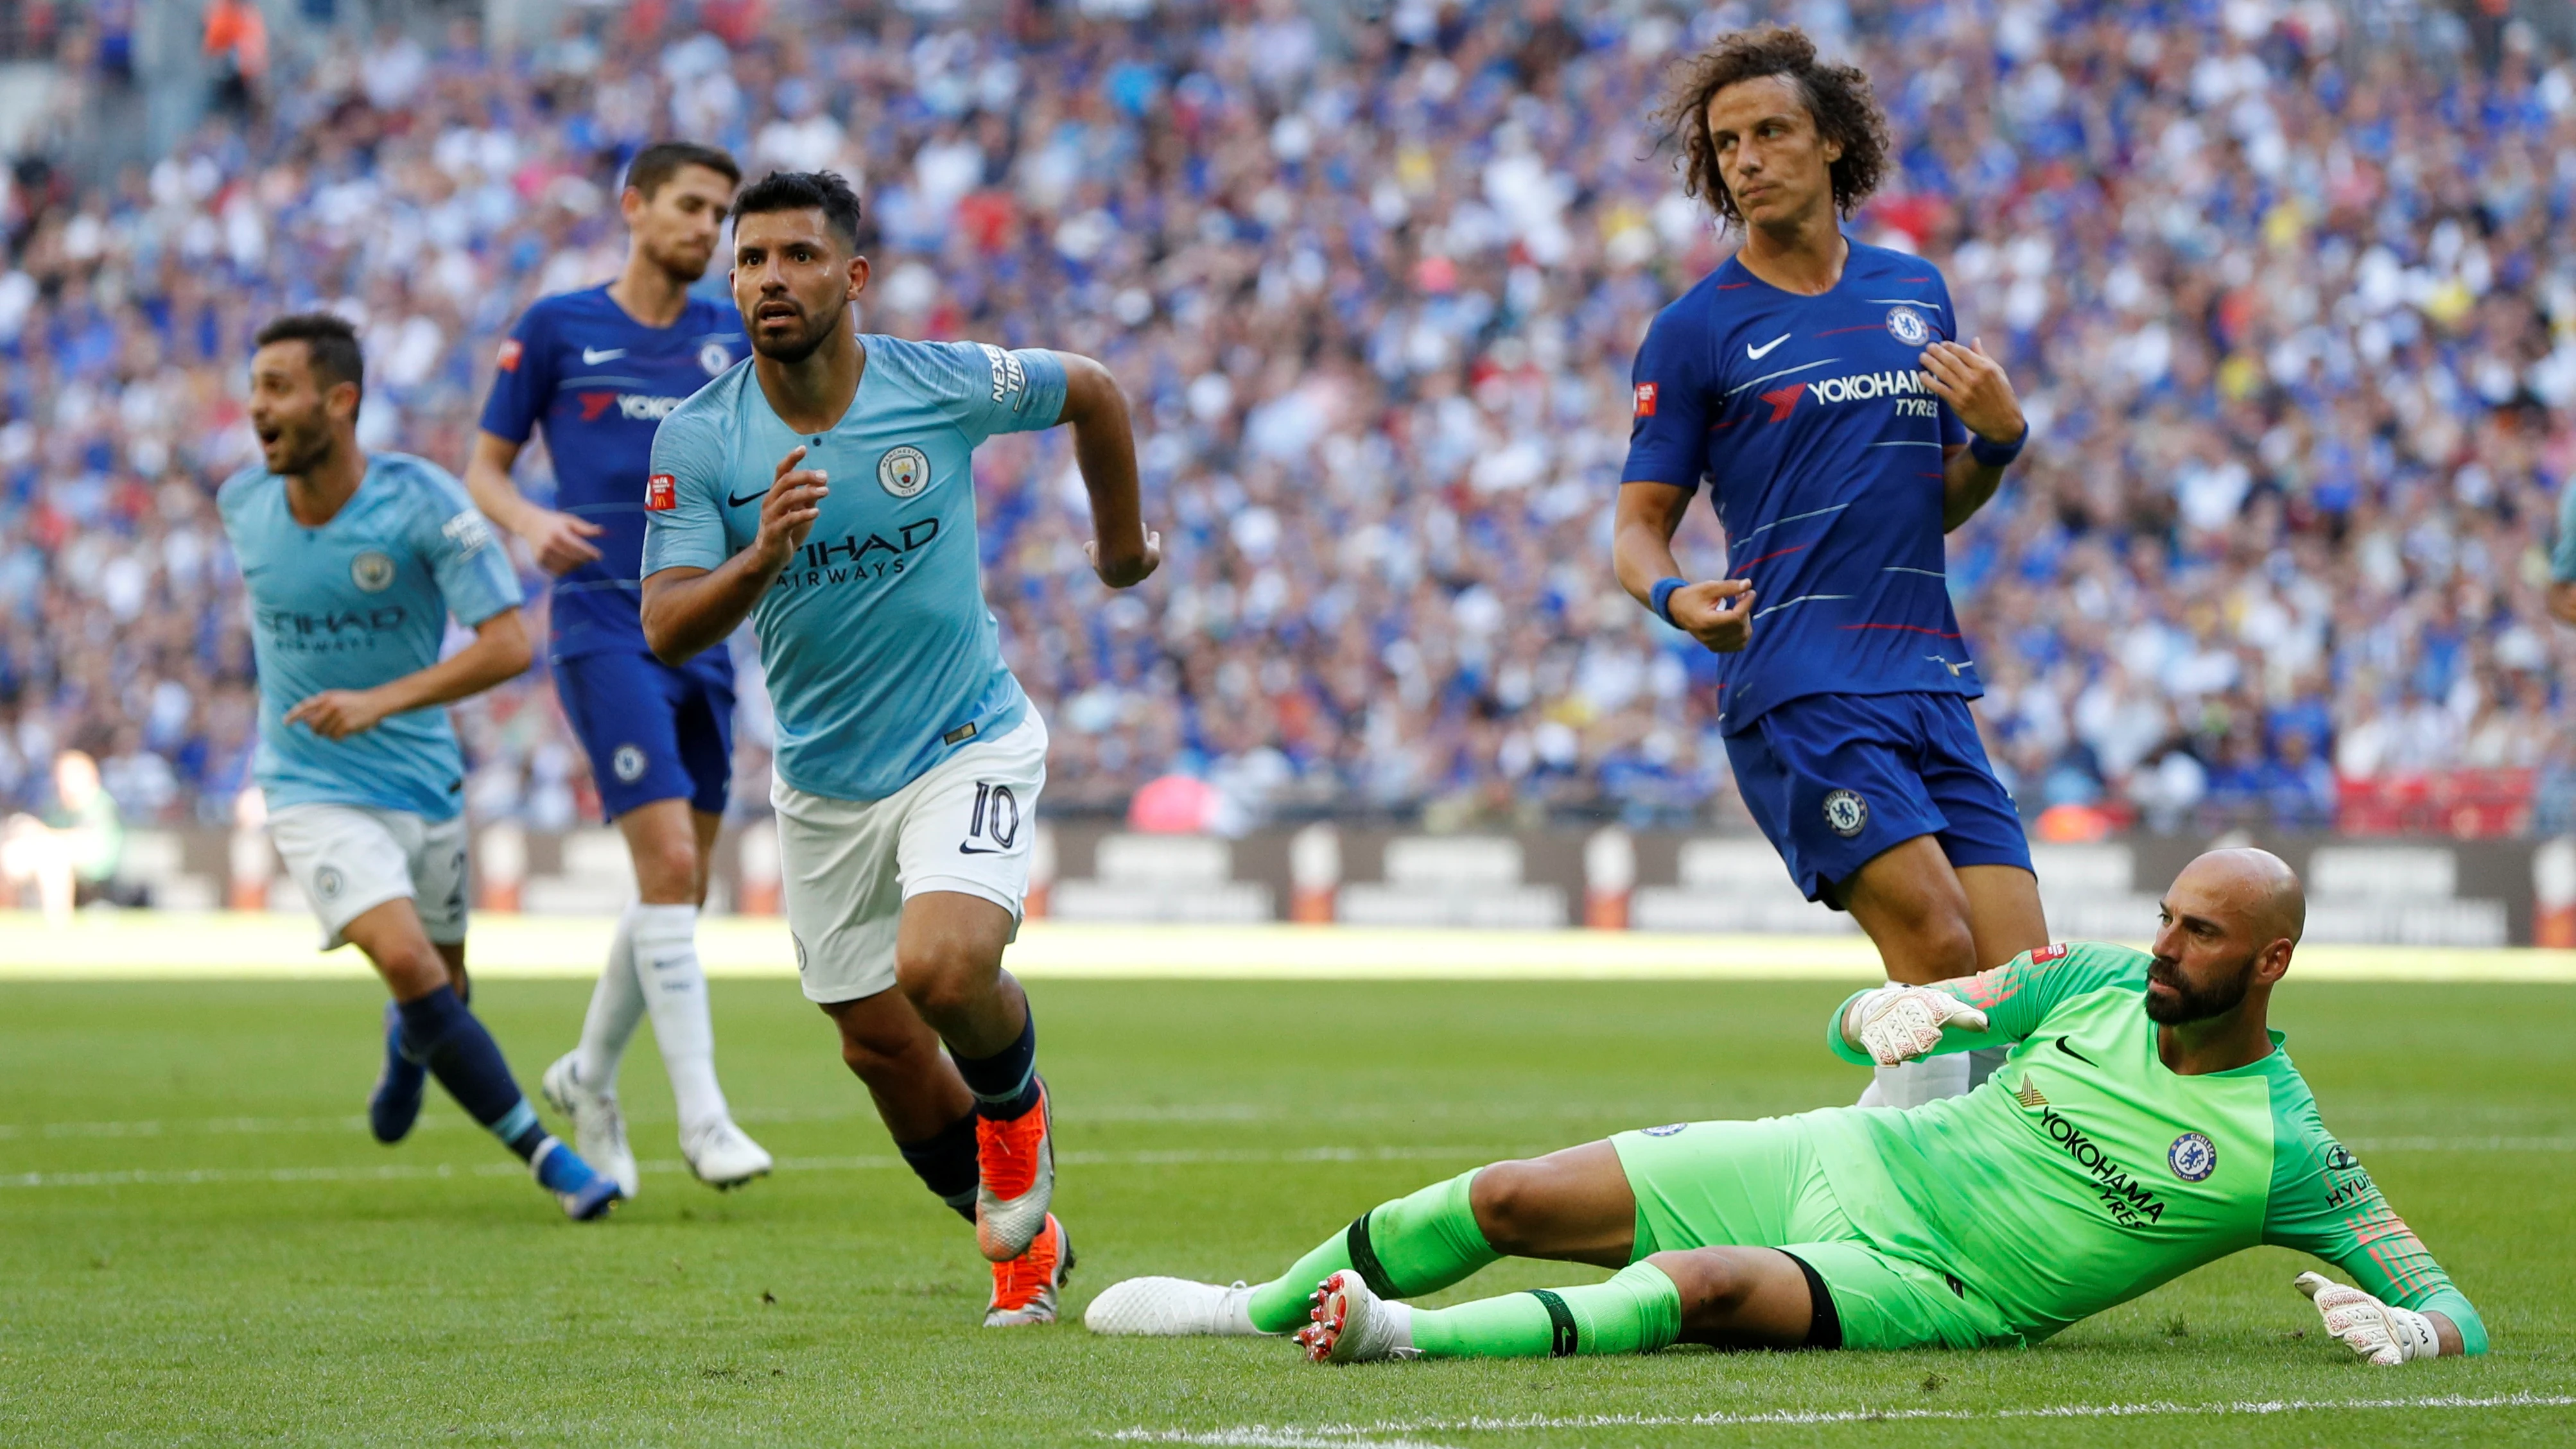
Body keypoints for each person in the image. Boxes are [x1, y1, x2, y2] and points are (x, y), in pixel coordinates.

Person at [1086, 850, 2486, 1369]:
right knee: (1511, 1195)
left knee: (1687, 1289)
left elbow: (2453, 1309)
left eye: (2200, 933)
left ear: (2271, 962)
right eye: (2169, 915)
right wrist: (1868, 1013)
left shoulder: (2282, 1149)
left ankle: (1405, 1340)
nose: (2167, 945)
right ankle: (1253, 1306)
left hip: (1929, 1280)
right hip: (1849, 1152)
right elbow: (1892, 1019)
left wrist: (2410, 1327)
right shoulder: (2097, 978)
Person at [638, 171, 1160, 1325]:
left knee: (941, 968)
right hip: (824, 780)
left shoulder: (941, 383)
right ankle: (1017, 1234)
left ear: (853, 276)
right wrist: (760, 557)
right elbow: (668, 626)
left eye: (800, 256)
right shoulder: (702, 435)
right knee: (878, 1047)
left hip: (963, 734)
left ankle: (1016, 1133)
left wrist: (1118, 550)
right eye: (752, 260)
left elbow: (1097, 391)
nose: (772, 277)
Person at [1610, 25, 2044, 1107]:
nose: (1745, 159)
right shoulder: (1694, 329)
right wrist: (1673, 596)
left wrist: (1995, 441)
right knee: (1940, 953)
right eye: (1724, 144)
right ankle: (1889, 1235)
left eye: (1769, 133)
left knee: (2029, 999)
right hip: (1799, 679)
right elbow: (1634, 525)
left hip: (1927, 679)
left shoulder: (1913, 291)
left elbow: (1935, 499)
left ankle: (1898, 1203)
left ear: (1834, 145)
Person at [217, 312, 618, 1221]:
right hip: (308, 781)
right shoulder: (242, 503)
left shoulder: (425, 502)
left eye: (278, 388)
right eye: (255, 389)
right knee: (405, 961)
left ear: (341, 400)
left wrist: (377, 701)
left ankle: (407, 1051)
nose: (257, 407)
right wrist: (339, 716)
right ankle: (552, 1159)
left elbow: (512, 644)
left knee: (445, 985)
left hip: (420, 778)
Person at [466, 140, 770, 1198]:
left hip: (704, 624)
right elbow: (485, 470)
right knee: (674, 878)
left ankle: (589, 1075)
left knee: (676, 881)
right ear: (633, 207)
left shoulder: (731, 338)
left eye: (719, 213)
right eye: (691, 205)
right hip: (599, 618)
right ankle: (704, 1114)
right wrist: (528, 521)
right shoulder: (558, 327)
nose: (706, 227)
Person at [1, 750, 123, 924]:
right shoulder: (56, 804)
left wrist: (43, 835)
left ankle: (58, 920)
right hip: (51, 849)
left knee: (53, 856)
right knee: (11, 855)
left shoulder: (99, 803)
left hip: (95, 861)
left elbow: (86, 840)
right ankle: (9, 919)